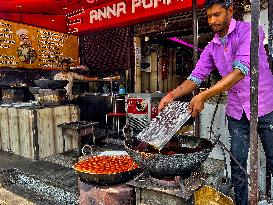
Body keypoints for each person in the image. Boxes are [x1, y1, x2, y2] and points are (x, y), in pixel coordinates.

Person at [158, 0, 273, 204]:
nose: (212, 20)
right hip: (237, 112)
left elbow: (240, 72)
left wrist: (203, 95)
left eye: (217, 14)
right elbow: (196, 77)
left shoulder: (250, 31)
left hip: (265, 106)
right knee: (237, 164)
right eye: (209, 16)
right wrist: (171, 95)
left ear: (230, 11)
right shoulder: (213, 47)